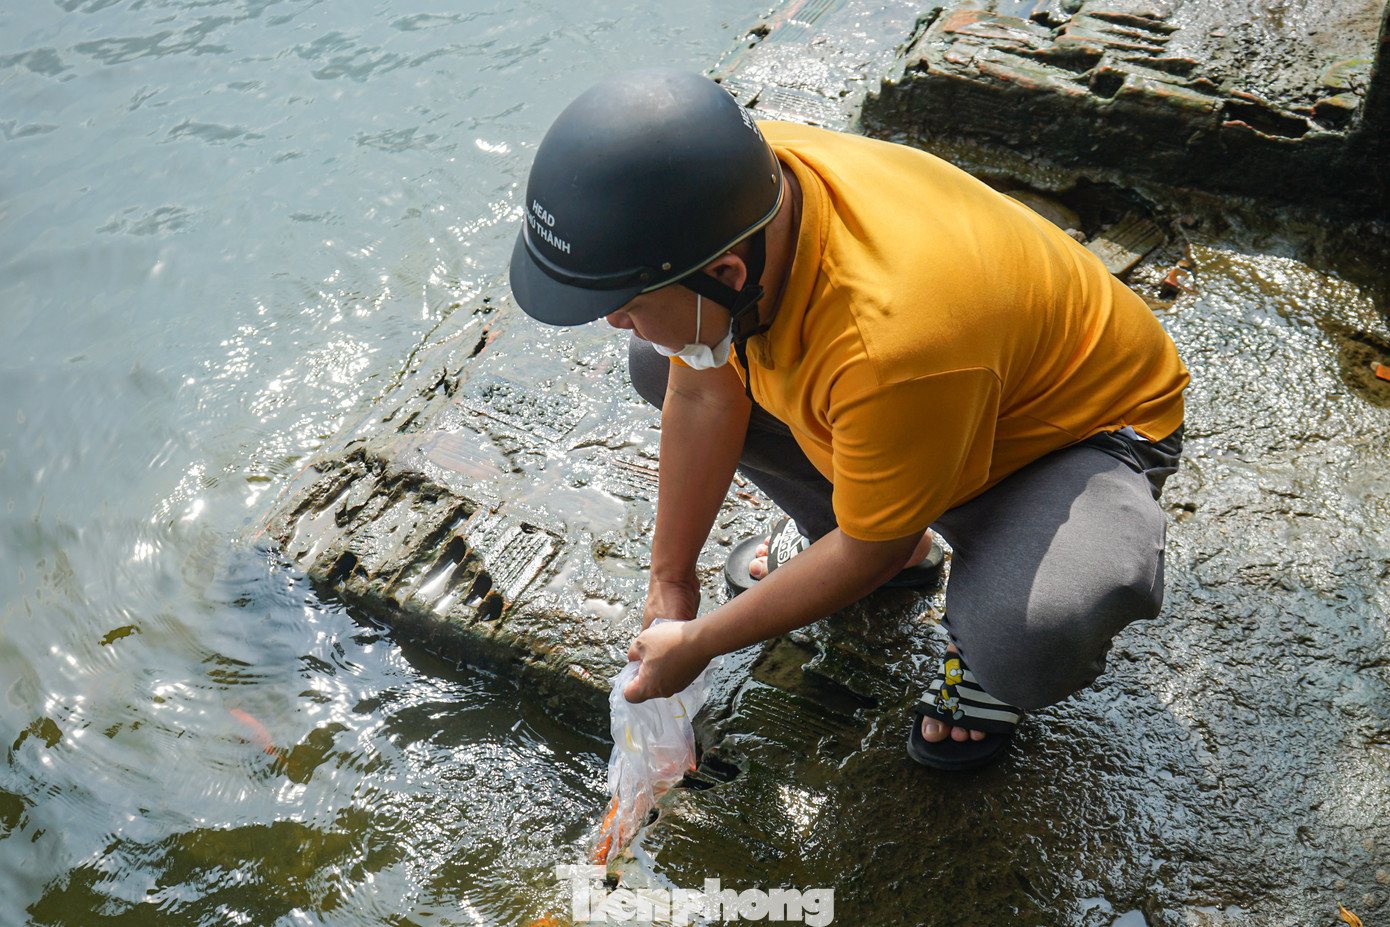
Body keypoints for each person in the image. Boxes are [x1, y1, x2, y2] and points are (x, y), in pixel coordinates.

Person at [508, 68, 1188, 771]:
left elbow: (875, 545)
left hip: (1073, 438)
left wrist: (705, 639)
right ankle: (868, 526)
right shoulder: (738, 195)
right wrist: (672, 580)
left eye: (624, 299)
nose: (612, 317)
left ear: (730, 275)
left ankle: (973, 624)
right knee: (660, 357)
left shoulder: (888, 340)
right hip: (928, 403)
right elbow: (705, 393)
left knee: (1029, 635)